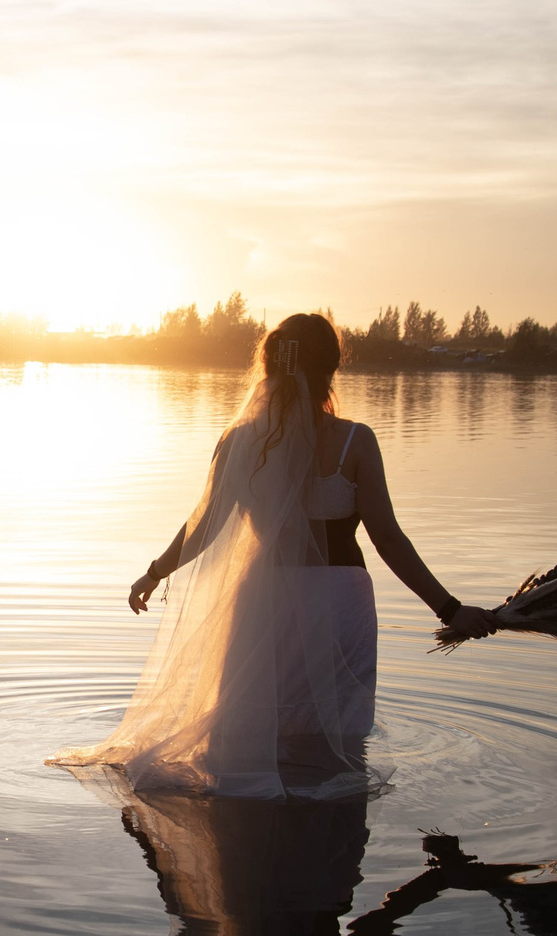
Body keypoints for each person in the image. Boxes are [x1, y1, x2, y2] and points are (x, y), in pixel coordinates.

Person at [52, 311, 495, 799]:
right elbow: (387, 539)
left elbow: (202, 527)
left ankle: (254, 828)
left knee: (255, 724)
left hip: (265, 599)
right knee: (335, 734)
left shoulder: (240, 441)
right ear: (331, 368)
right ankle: (327, 825)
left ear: (268, 366)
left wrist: (154, 572)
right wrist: (449, 609)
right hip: (339, 603)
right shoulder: (355, 441)